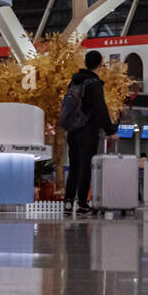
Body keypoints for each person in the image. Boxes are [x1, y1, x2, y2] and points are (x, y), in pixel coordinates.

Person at [62, 50, 115, 216]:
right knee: (86, 166)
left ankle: (69, 202)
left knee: (74, 166)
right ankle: (83, 204)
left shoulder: (74, 83)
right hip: (88, 130)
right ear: (100, 64)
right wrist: (111, 131)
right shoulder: (94, 84)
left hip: (72, 131)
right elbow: (101, 109)